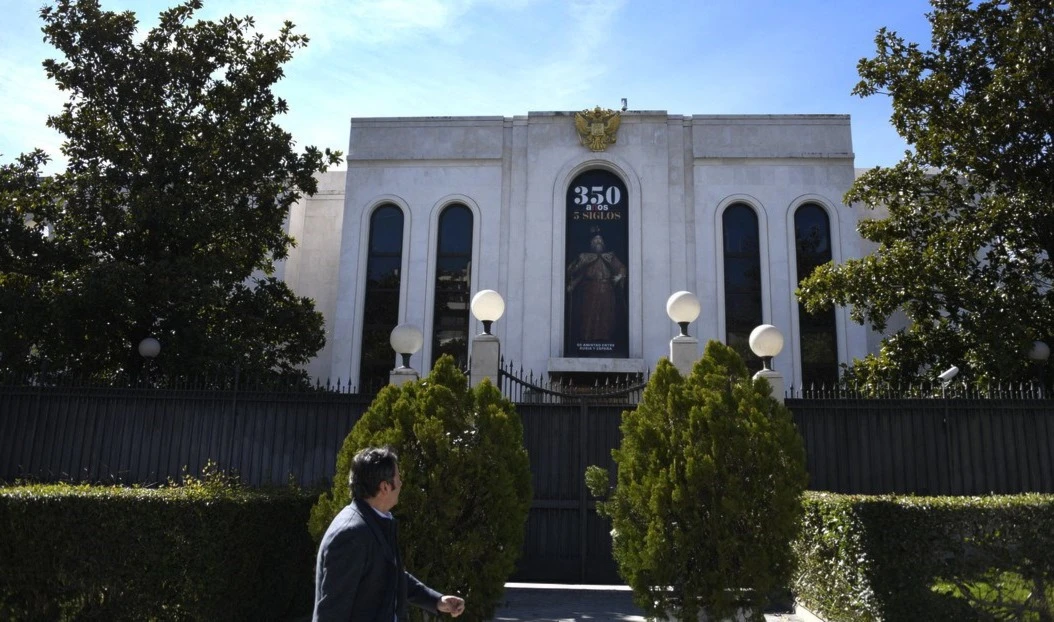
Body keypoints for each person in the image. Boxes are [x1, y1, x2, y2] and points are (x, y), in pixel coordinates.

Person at [313, 446, 466, 621]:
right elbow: (331, 612)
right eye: (398, 478)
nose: (401, 483)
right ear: (385, 487)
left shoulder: (376, 520)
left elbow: (390, 576)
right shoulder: (351, 534)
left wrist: (436, 600)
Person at [566, 232, 627, 345]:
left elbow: (621, 268)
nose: (598, 242)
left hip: (606, 290)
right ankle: (587, 337)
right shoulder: (584, 257)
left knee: (606, 314)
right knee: (588, 315)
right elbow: (575, 272)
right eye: (595, 240)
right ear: (591, 243)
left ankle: (605, 338)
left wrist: (619, 277)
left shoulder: (610, 257)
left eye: (600, 240)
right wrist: (572, 284)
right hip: (590, 290)